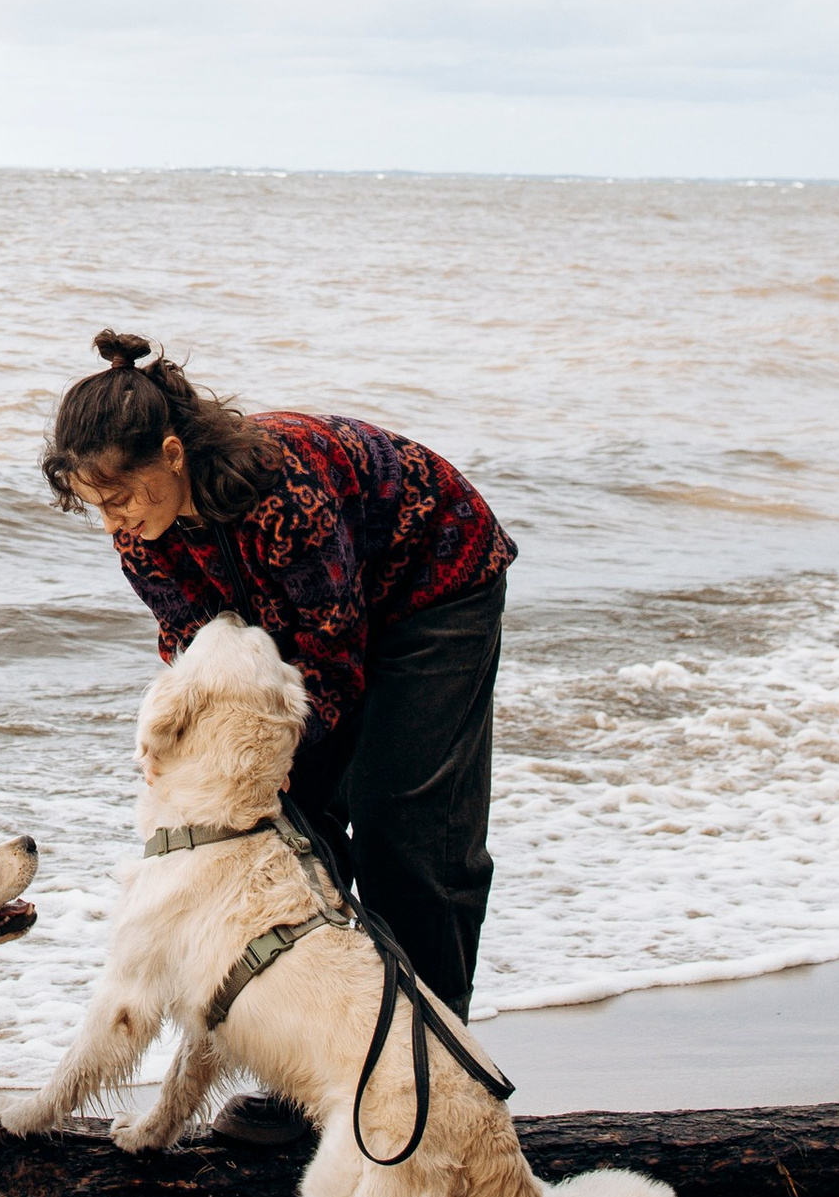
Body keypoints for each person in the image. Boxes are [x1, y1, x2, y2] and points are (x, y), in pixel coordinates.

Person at [43, 329, 514, 1100]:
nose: (113, 524)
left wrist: (267, 768)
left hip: (434, 584)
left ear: (172, 452)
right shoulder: (139, 533)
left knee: (406, 827)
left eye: (120, 498)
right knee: (285, 823)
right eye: (96, 507)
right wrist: (194, 752)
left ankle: (429, 1067)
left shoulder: (279, 487)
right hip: (332, 612)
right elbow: (195, 648)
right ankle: (312, 1059)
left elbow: (331, 665)